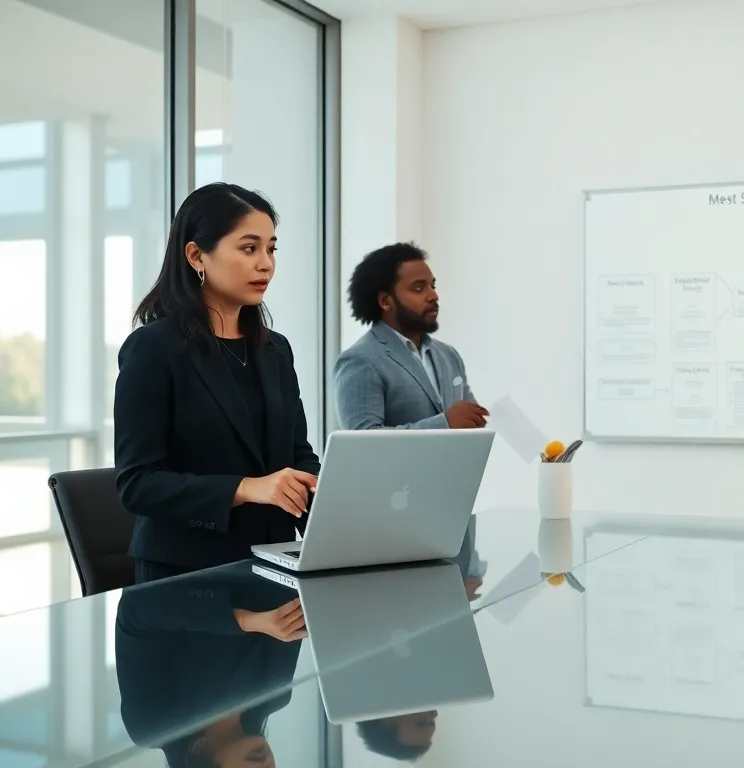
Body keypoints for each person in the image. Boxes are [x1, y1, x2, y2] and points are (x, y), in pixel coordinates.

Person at [114, 183, 321, 583]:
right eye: (249, 248)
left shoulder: (275, 350)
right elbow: (137, 484)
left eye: (271, 249)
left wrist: (327, 503)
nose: (266, 264)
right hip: (185, 581)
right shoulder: (153, 349)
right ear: (196, 256)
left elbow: (298, 455)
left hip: (276, 567)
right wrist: (247, 488)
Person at [115, 570, 306, 767]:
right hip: (263, 552)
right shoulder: (274, 695)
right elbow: (292, 595)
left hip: (183, 556)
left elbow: (135, 608)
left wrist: (243, 621)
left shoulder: (152, 726)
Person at [334, 243, 489, 430]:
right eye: (418, 288)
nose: (433, 295)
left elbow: (469, 422)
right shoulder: (360, 360)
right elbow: (363, 441)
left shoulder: (449, 356)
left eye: (432, 286)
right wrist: (444, 424)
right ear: (385, 301)